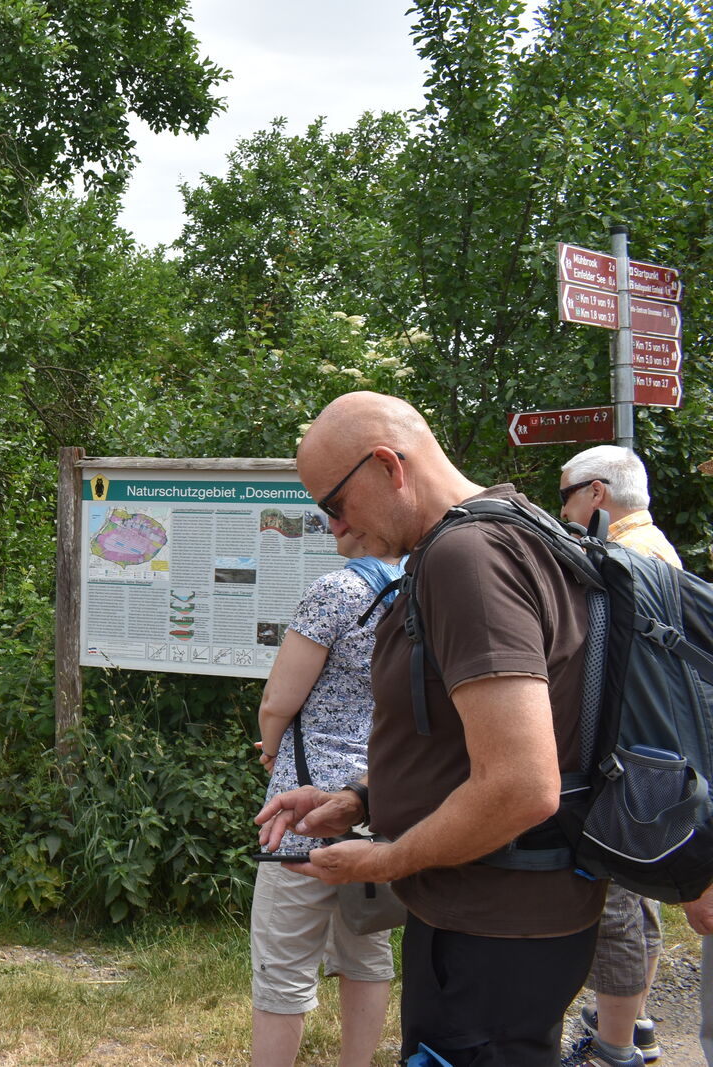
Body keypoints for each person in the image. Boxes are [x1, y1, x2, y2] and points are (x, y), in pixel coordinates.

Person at [257, 391, 607, 1065]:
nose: (335, 530)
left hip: (487, 928)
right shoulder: (522, 525)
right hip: (516, 916)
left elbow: (521, 784)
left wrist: (388, 857)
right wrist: (362, 801)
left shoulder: (465, 557)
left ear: (389, 466)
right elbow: (473, 742)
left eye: (334, 504)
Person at [251, 536, 402, 1067]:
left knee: (282, 963)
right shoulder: (418, 591)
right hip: (378, 795)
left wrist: (271, 750)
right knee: (366, 943)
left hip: (307, 804)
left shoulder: (336, 591)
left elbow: (278, 701)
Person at [559, 445, 682, 1067]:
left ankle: (613, 1047)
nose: (565, 510)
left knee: (614, 902)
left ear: (596, 493)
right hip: (657, 754)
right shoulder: (658, 547)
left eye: (567, 496)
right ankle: (635, 1023)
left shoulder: (623, 558)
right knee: (641, 891)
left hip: (626, 754)